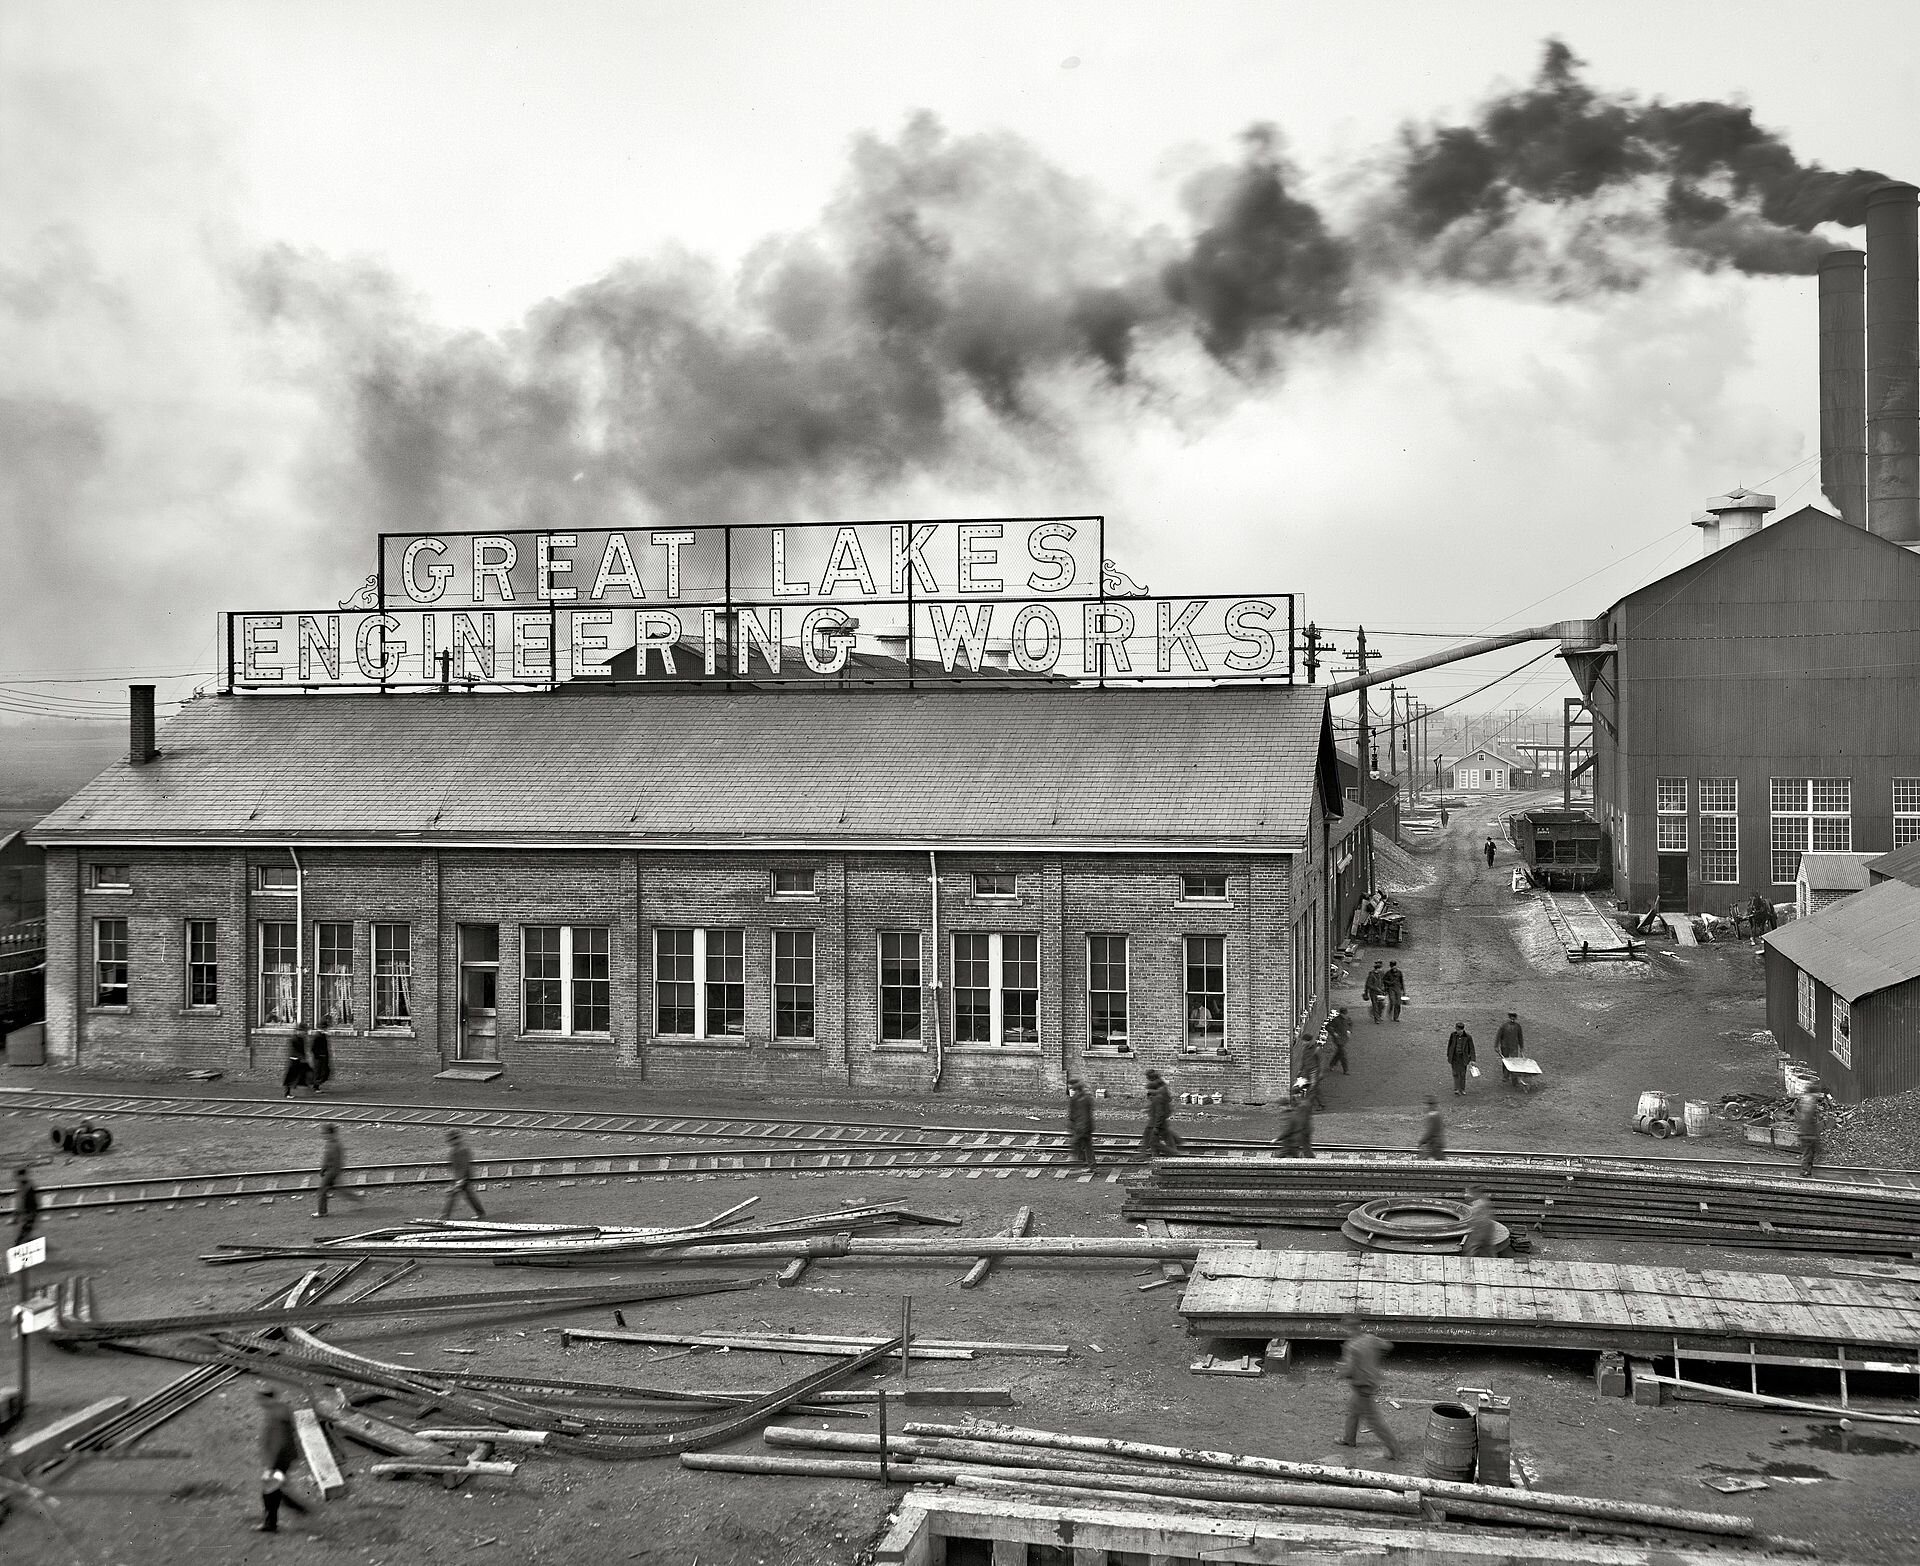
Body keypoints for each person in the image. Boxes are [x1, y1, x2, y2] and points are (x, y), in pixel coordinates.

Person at [1334, 1315, 1403, 1462]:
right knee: (1353, 1411)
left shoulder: (1351, 1346)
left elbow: (1348, 1369)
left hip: (1362, 1386)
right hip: (1370, 1382)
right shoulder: (1370, 1339)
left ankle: (1394, 1449)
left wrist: (1340, 1373)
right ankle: (1349, 1439)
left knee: (1374, 1421)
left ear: (1349, 1328)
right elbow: (1387, 1345)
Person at [254, 1386, 311, 1533]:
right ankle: (298, 1508)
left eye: (261, 1399)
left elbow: (279, 1442)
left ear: (268, 1399)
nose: (259, 1402)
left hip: (279, 1460)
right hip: (283, 1458)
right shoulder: (279, 1410)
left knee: (269, 1491)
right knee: (275, 1488)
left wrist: (270, 1466)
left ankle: (271, 1524)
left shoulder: (277, 1415)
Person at [440, 1129, 487, 1219]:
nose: (449, 1142)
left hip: (461, 1177)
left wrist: (460, 1180)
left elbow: (463, 1165)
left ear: (455, 1139)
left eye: (451, 1140)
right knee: (469, 1196)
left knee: (453, 1196)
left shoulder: (460, 1150)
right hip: (461, 1177)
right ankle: (480, 1213)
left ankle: (445, 1216)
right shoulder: (458, 1149)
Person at [1140, 1069, 1184, 1157]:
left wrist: (1156, 1125)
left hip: (1157, 1119)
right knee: (1162, 1135)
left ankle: (1173, 1152)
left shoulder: (1158, 1095)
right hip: (1159, 1117)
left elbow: (1159, 1112)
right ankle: (1160, 1154)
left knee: (1153, 1139)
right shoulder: (1161, 1089)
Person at [1066, 1078, 1098, 1171]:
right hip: (1081, 1126)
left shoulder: (1082, 1099)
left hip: (1083, 1127)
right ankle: (1089, 1164)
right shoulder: (1078, 1098)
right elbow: (1073, 1113)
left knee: (1077, 1143)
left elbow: (1083, 1115)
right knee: (1087, 1146)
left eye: (1072, 1088)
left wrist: (1081, 1128)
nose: (1070, 1090)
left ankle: (1080, 1161)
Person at [1462, 1185, 1499, 1257]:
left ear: (1474, 1193)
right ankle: (1495, 1260)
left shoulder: (1478, 1204)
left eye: (1468, 1193)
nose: (1466, 1195)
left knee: (1471, 1248)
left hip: (1481, 1227)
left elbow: (1476, 1219)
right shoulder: (1483, 1201)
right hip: (1487, 1226)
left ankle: (1468, 1262)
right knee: (1488, 1247)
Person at [1796, 1091, 1824, 1178]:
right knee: (1808, 1153)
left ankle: (1807, 1171)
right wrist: (1812, 1135)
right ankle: (1805, 1172)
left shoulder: (1806, 1102)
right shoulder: (1809, 1103)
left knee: (1809, 1153)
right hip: (1808, 1134)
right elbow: (1808, 1121)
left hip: (1806, 1133)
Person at [1494, 1011, 1525, 1091]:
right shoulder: (1504, 1026)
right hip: (1505, 1046)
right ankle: (1505, 1076)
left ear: (1515, 1018)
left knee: (1514, 1063)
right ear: (1509, 1017)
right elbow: (1498, 1035)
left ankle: (1514, 1079)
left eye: (1514, 1017)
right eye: (1511, 1017)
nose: (1512, 1019)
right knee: (1505, 1061)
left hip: (1514, 1047)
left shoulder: (1518, 1026)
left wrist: (1521, 1047)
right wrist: (1496, 1046)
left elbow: (1520, 1037)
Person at [281, 1023, 312, 1098]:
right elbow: (295, 1050)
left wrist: (304, 1057)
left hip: (300, 1060)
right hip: (294, 1059)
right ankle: (287, 1093)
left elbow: (303, 1050)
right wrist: (301, 1057)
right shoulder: (294, 1039)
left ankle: (308, 1085)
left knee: (306, 1072)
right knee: (291, 1076)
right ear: (299, 1031)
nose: (305, 1033)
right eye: (304, 1031)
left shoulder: (302, 1039)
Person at [11, 1164, 39, 1249]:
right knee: (26, 1231)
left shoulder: (28, 1186)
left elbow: (30, 1201)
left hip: (29, 1212)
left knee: (25, 1231)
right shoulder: (23, 1185)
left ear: (22, 1175)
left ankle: (17, 1247)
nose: (16, 1179)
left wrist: (30, 1214)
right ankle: (23, 1244)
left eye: (18, 1176)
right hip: (27, 1213)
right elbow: (20, 1200)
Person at [1446, 1021, 1475, 1096]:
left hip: (1463, 1058)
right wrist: (1449, 1055)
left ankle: (1462, 1089)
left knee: (1462, 1074)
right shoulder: (1453, 1035)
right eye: (1457, 1029)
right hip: (1454, 1058)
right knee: (1455, 1073)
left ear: (1462, 1030)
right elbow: (1450, 1045)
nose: (1457, 1031)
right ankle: (1456, 1089)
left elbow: (1472, 1048)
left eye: (1459, 1030)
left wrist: (1473, 1059)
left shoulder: (1468, 1037)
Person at [1325, 1007, 1352, 1075]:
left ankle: (1332, 1064)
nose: (1345, 1015)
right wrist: (1334, 1033)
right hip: (1338, 1039)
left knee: (1339, 1053)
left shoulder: (1347, 1019)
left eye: (1346, 1014)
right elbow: (1328, 1027)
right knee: (1343, 1054)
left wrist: (1349, 1031)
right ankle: (1346, 1070)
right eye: (1344, 1014)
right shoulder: (1336, 1020)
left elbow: (1350, 1024)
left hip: (1344, 1038)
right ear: (1341, 1014)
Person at [308, 1026, 332, 1093]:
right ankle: (315, 1087)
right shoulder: (317, 1036)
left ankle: (316, 1085)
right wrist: (318, 1055)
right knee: (318, 1072)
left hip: (323, 1057)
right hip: (319, 1058)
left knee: (323, 1072)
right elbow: (313, 1048)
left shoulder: (323, 1036)